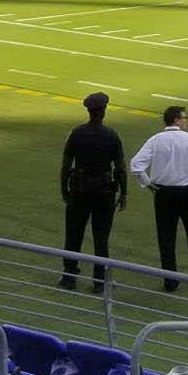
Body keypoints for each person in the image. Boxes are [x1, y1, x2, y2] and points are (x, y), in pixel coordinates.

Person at [129, 104, 188, 291]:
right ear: (176, 119)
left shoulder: (156, 140)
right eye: (184, 118)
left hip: (163, 193)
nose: (186, 121)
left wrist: (148, 182)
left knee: (166, 237)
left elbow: (136, 164)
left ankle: (170, 280)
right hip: (185, 192)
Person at [58, 91, 127, 291]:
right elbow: (120, 167)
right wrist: (123, 193)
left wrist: (64, 190)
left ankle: (69, 277)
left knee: (73, 236)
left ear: (89, 111)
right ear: (103, 111)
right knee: (101, 238)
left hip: (78, 191)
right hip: (104, 193)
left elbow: (65, 165)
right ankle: (99, 281)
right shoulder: (111, 135)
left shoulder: (76, 133)